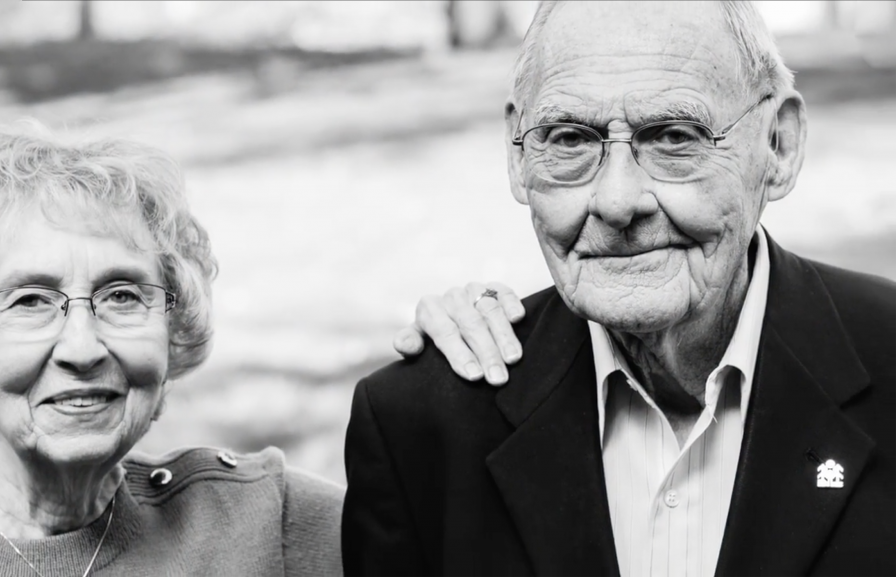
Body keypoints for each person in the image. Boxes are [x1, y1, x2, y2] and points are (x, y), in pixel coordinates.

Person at [343, 1, 896, 576]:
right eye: (569, 140)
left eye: (675, 137)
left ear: (777, 145)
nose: (615, 202)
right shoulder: (424, 427)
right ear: (517, 154)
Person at [0, 123, 517, 576]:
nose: (82, 346)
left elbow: (504, 545)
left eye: (122, 296)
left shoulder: (269, 524)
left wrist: (488, 368)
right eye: (29, 301)